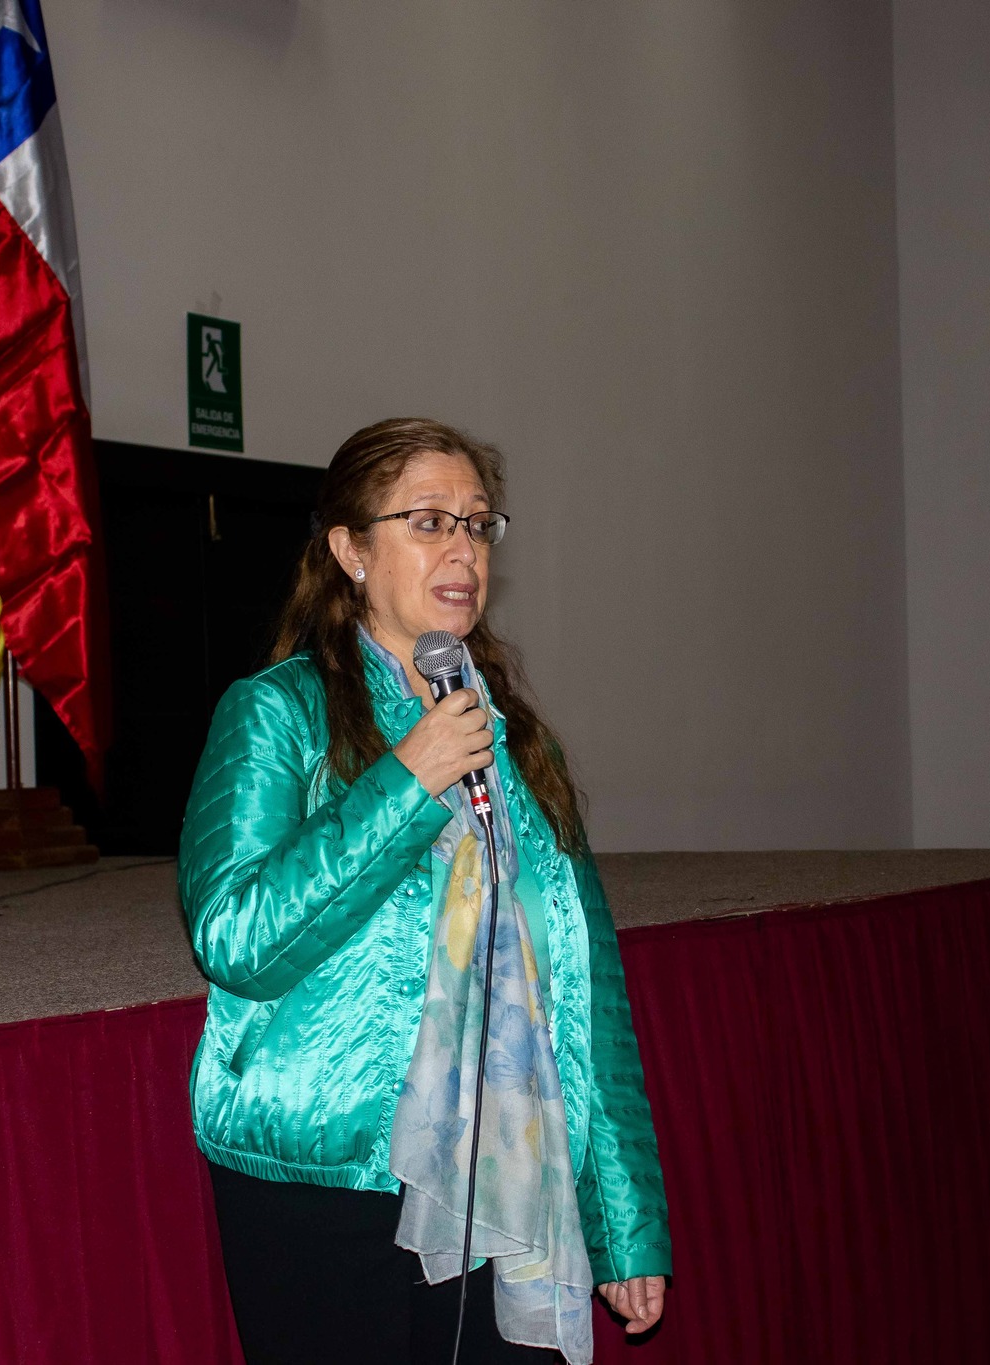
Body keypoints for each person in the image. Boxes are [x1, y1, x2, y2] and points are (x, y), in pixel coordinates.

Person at [179, 418, 671, 1364]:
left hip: (505, 1170)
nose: (463, 549)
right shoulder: (275, 714)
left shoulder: (515, 740)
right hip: (327, 1183)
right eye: (430, 521)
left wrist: (623, 1219)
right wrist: (407, 781)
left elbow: (584, 986)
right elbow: (235, 938)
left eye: (479, 525)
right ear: (350, 551)